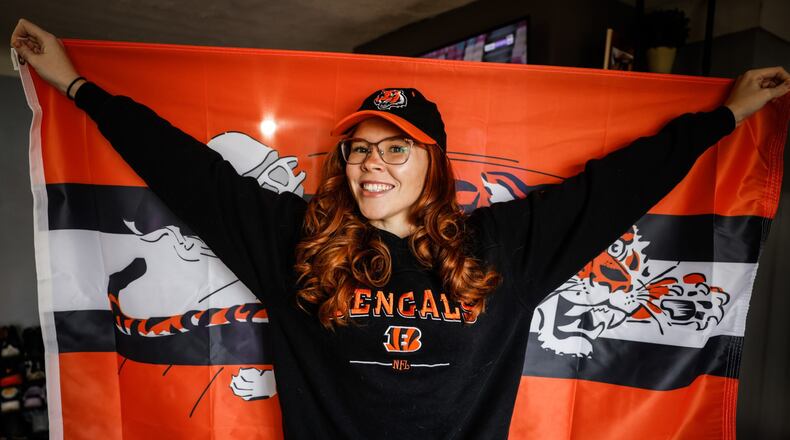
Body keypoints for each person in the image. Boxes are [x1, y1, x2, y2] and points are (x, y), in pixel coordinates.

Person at [11, 18, 790, 439]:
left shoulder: (504, 245)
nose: (369, 166)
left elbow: (618, 187)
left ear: (432, 162)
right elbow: (189, 173)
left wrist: (727, 115)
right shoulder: (300, 243)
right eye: (356, 150)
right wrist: (75, 83)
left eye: (393, 149)